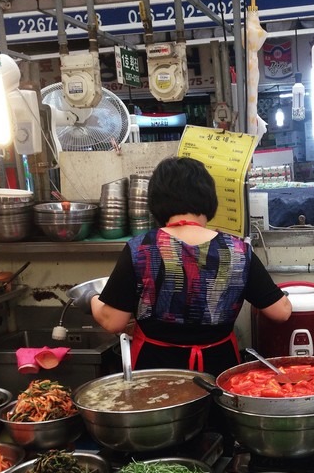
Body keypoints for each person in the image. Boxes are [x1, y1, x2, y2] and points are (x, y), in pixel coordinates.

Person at [75, 156, 292, 376]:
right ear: (209, 200)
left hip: (155, 375)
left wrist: (91, 298)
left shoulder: (140, 249)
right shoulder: (238, 251)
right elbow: (280, 312)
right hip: (218, 374)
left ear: (156, 203)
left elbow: (113, 321)